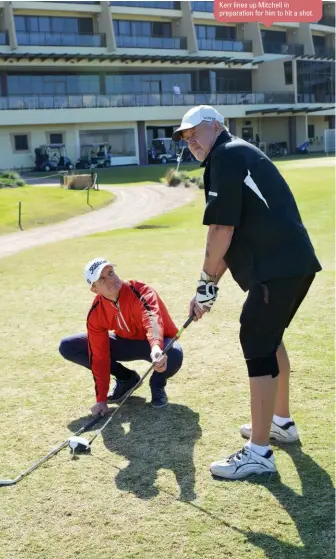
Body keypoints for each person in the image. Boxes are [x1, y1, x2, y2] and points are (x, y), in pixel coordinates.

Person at [172, 105, 321, 480]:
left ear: (217, 125)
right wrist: (208, 287)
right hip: (292, 264)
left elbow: (221, 230)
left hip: (278, 268)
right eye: (185, 139)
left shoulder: (225, 154)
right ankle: (280, 424)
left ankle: (259, 453)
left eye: (195, 133)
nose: (191, 143)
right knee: (269, 339)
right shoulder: (235, 152)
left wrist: (205, 282)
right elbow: (232, 232)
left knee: (255, 337)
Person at [59, 258, 183, 416]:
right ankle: (127, 379)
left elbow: (152, 319)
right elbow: (99, 356)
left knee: (174, 354)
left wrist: (156, 347)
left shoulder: (140, 290)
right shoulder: (96, 312)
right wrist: (101, 400)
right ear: (94, 289)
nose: (110, 279)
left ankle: (157, 384)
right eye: (101, 279)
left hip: (154, 343)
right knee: (69, 346)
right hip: (125, 343)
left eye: (110, 273)